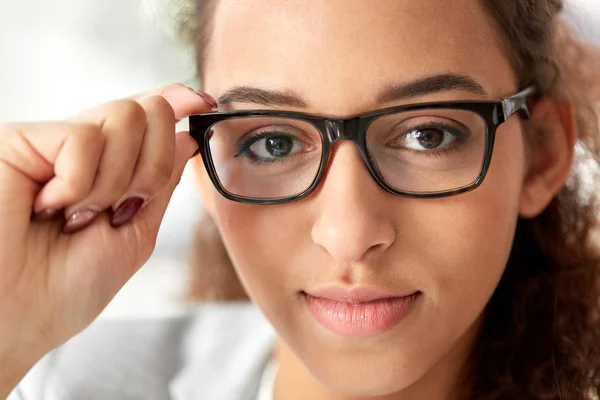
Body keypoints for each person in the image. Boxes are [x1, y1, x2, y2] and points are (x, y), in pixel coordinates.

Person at [1, 0, 600, 399]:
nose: (348, 233)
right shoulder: (69, 383)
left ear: (542, 156)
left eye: (428, 134)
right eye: (272, 141)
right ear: (202, 169)